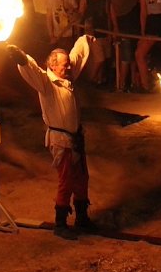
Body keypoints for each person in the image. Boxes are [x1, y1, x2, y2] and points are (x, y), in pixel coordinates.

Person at [7, 35, 96, 240]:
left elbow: (78, 55)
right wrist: (21, 57)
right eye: (64, 66)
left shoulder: (69, 77)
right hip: (60, 140)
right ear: (53, 66)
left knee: (82, 178)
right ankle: (60, 223)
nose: (68, 68)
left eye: (68, 65)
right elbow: (32, 70)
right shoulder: (46, 82)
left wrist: (85, 39)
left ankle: (81, 217)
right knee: (66, 180)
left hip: (76, 138)